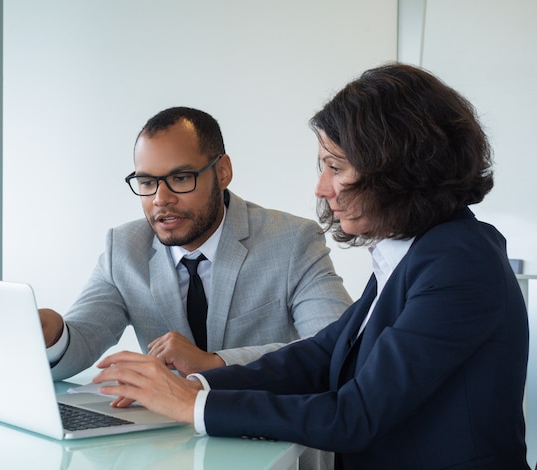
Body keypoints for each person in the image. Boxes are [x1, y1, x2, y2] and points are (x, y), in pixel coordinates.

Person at [91, 64, 530, 469]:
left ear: (402, 169)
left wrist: (191, 407)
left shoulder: (458, 262)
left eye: (335, 167)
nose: (321, 188)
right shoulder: (418, 250)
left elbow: (354, 414)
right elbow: (322, 355)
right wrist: (198, 387)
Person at [40, 106, 352, 382]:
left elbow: (336, 345)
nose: (161, 199)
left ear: (223, 172)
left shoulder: (292, 241)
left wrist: (216, 364)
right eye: (147, 182)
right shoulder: (123, 248)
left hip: (267, 437)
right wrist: (53, 334)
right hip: (169, 441)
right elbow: (80, 342)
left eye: (180, 178)